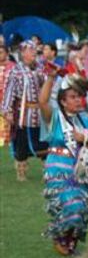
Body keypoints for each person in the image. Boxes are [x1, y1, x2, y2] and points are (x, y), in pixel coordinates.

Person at [38, 71, 88, 255]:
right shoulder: (56, 117)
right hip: (58, 167)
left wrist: (85, 139)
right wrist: (51, 77)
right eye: (73, 97)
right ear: (63, 101)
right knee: (71, 205)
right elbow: (42, 102)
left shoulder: (85, 120)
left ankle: (69, 241)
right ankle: (60, 238)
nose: (78, 100)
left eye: (80, 96)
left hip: (80, 170)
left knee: (81, 209)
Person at [2, 41, 46, 181]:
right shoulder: (16, 71)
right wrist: (7, 111)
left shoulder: (40, 69)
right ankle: (21, 172)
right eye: (30, 50)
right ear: (23, 53)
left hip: (39, 114)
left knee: (43, 141)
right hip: (23, 114)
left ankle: (47, 170)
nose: (34, 52)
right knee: (22, 142)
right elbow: (9, 92)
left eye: (34, 50)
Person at [0, 44, 14, 147]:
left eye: (1, 53)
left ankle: (8, 142)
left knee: (8, 124)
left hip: (9, 101)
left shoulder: (13, 67)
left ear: (7, 54)